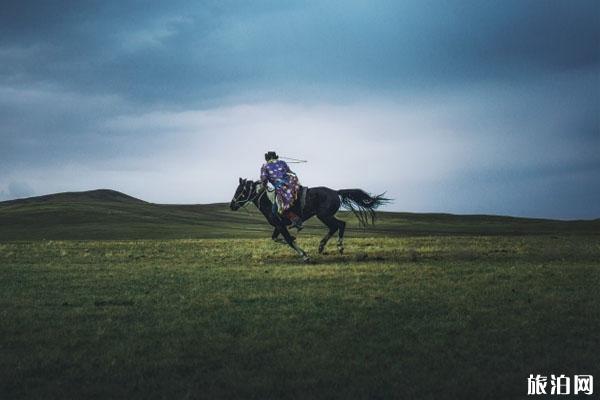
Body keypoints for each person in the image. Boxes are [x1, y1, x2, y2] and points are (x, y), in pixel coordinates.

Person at [260, 151, 303, 230]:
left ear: (267, 158)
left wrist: (263, 186)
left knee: (276, 209)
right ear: (275, 156)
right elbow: (290, 172)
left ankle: (296, 220)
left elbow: (264, 179)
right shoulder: (282, 162)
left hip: (281, 188)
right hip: (292, 184)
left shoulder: (265, 166)